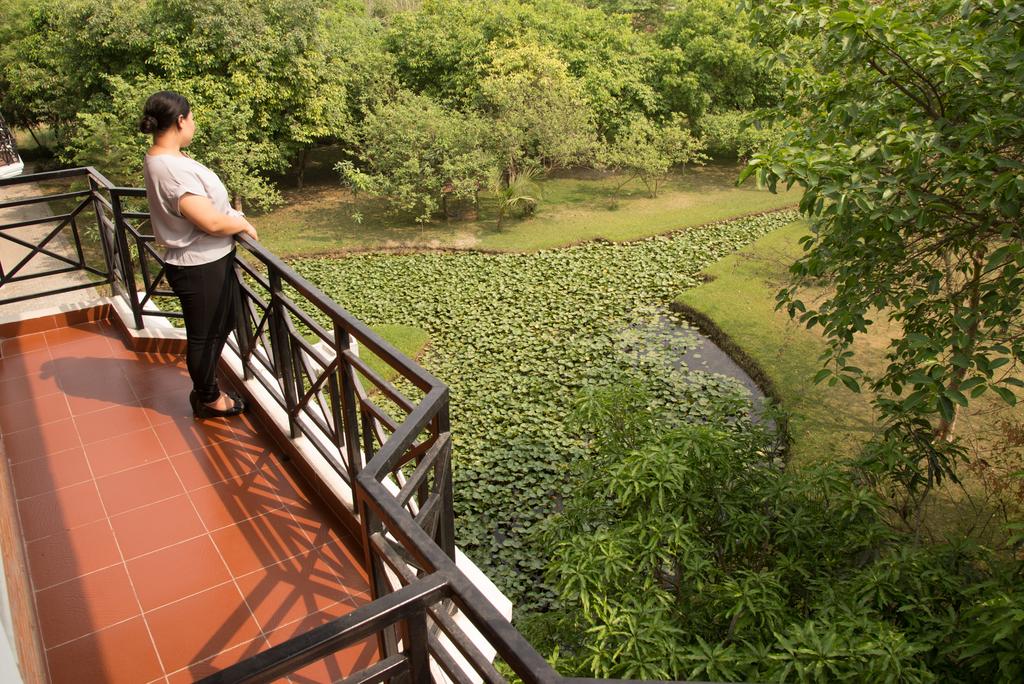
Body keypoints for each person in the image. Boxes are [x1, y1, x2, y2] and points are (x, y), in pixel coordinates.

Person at [139, 90, 258, 419]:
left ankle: (205, 387)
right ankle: (208, 398)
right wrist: (240, 224)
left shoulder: (163, 158)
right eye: (191, 119)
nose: (194, 124)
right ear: (180, 121)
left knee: (227, 320)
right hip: (199, 265)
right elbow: (207, 220)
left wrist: (231, 220)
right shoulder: (171, 169)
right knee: (204, 337)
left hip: (206, 261)